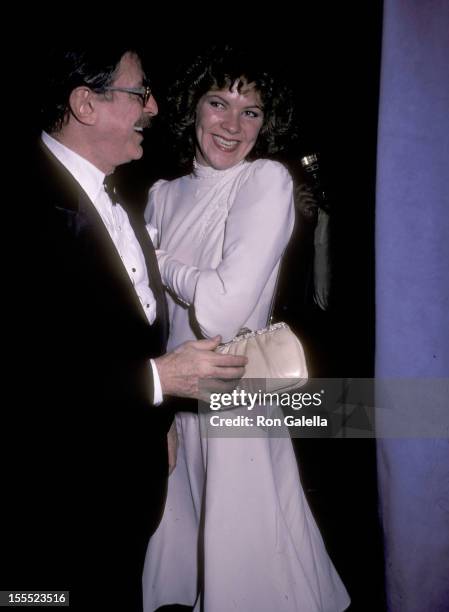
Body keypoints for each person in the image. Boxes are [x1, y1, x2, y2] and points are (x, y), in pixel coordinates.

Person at [1, 47, 246, 611]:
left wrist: (155, 419)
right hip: (54, 512)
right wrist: (158, 380)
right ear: (86, 103)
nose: (155, 107)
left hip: (120, 493)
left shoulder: (119, 197)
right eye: (140, 94)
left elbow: (122, 331)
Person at [142, 46, 350, 612]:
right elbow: (158, 324)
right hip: (180, 404)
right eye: (218, 103)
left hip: (237, 400)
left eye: (251, 111)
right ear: (193, 107)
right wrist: (156, 413)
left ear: (267, 122)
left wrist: (155, 259)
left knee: (252, 571)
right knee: (184, 568)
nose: (232, 125)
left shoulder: (265, 180)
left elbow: (222, 310)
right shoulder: (161, 195)